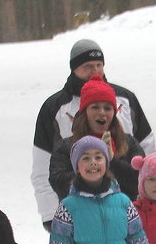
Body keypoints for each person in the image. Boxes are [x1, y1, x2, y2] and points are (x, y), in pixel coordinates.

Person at [32, 39, 155, 226]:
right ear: (74, 68)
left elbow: (148, 155)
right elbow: (43, 167)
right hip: (78, 216)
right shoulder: (54, 107)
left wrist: (150, 201)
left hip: (126, 215)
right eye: (88, 66)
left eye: (99, 65)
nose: (95, 71)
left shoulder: (125, 99)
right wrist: (50, 215)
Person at [48, 75, 145, 205]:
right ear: (84, 112)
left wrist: (112, 161)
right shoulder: (66, 146)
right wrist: (90, 170)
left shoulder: (128, 142)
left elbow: (141, 180)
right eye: (95, 107)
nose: (102, 113)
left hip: (122, 216)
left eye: (107, 108)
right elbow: (58, 183)